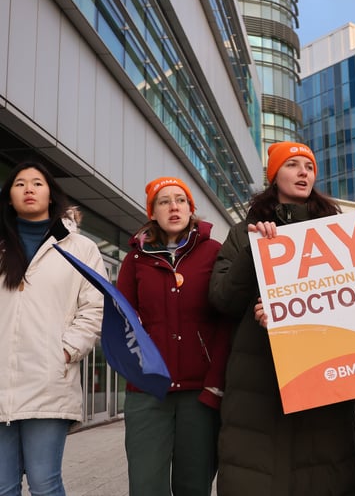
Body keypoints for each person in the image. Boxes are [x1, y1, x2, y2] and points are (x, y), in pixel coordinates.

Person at [209, 142, 355, 496]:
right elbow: (222, 298)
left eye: (308, 166)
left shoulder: (338, 231)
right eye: (292, 165)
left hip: (323, 376)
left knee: (324, 475)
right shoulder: (242, 232)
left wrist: (291, 312)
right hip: (259, 380)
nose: (303, 172)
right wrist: (254, 253)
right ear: (274, 176)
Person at [116, 176, 230, 496]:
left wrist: (215, 382)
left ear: (191, 209)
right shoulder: (136, 259)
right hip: (148, 390)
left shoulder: (213, 251)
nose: (173, 206)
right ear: (152, 212)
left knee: (193, 485)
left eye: (180, 200)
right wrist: (135, 369)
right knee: (145, 485)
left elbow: (225, 321)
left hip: (200, 391)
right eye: (164, 201)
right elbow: (122, 319)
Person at [0, 160, 106, 495]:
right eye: (19, 184)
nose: (28, 189)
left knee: (45, 483)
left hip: (49, 380)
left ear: (51, 195)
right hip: (1, 380)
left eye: (37, 183)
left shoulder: (81, 248)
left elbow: (95, 307)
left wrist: (64, 350)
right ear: (9, 197)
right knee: (2, 486)